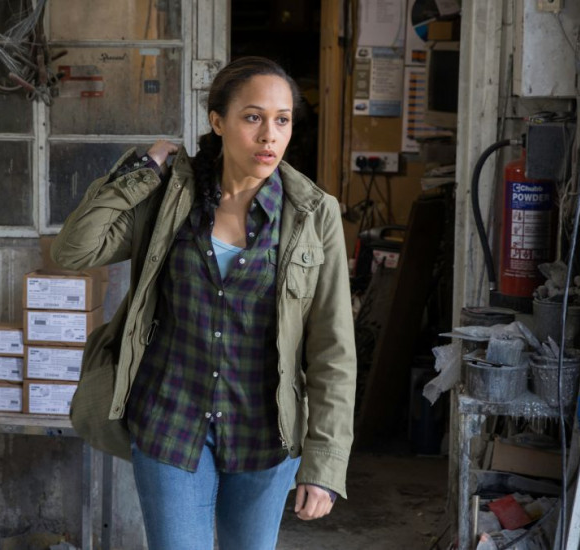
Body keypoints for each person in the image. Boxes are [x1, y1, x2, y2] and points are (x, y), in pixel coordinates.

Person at [52, 56, 356, 550]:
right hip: (171, 420)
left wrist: (325, 463)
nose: (269, 136)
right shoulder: (170, 196)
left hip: (265, 433)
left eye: (282, 120)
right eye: (253, 117)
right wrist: (142, 171)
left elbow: (333, 349)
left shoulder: (312, 213)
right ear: (218, 121)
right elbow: (74, 250)